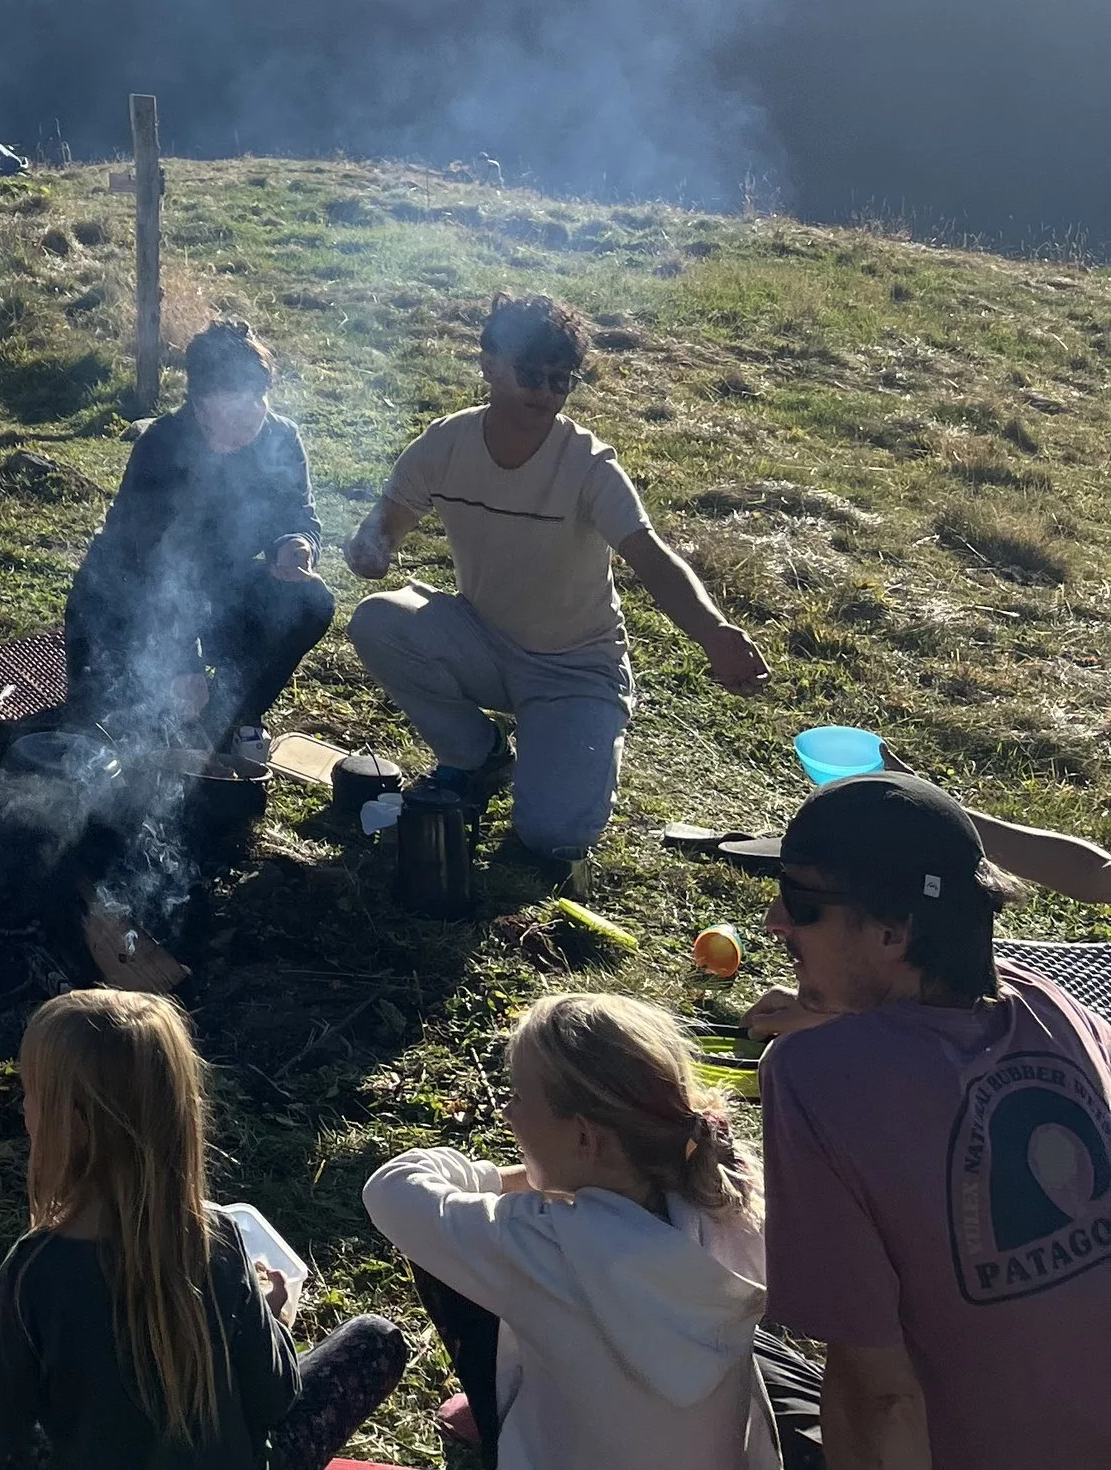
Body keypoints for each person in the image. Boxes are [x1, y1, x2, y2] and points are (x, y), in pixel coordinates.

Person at [715, 770, 1111, 1470]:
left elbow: (879, 1397)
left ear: (894, 931)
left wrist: (828, 1032)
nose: (776, 919)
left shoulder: (812, 1076)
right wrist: (843, 1005)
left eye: (803, 902)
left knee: (718, 1336)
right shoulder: (1061, 1009)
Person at [0, 988, 404, 1470]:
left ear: (73, 1124)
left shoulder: (34, 1270)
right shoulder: (219, 1239)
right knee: (376, 1338)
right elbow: (275, 1398)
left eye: (31, 1094)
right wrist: (275, 1316)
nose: (24, 1108)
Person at [344, 294, 769, 864]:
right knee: (378, 619)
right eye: (531, 375)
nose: (544, 394)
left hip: (577, 669)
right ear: (490, 365)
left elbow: (651, 556)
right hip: (484, 640)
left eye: (559, 381)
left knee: (551, 835)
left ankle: (558, 751)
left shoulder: (588, 464)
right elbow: (385, 526)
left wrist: (714, 633)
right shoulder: (446, 444)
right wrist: (370, 547)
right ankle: (478, 754)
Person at [363, 993, 794, 1468]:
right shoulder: (733, 1205)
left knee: (454, 1260)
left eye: (519, 1098)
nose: (507, 1112)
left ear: (586, 1138)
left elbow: (391, 1188)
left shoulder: (545, 1245)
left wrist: (517, 1179)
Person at [64, 322, 332, 768]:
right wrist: (183, 661)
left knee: (310, 600)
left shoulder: (280, 438)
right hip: (124, 595)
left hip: (219, 586)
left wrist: (296, 543)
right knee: (115, 722)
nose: (252, 412)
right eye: (236, 401)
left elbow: (297, 513)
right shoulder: (162, 447)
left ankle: (233, 717)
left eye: (258, 397)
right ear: (201, 401)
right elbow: (143, 561)